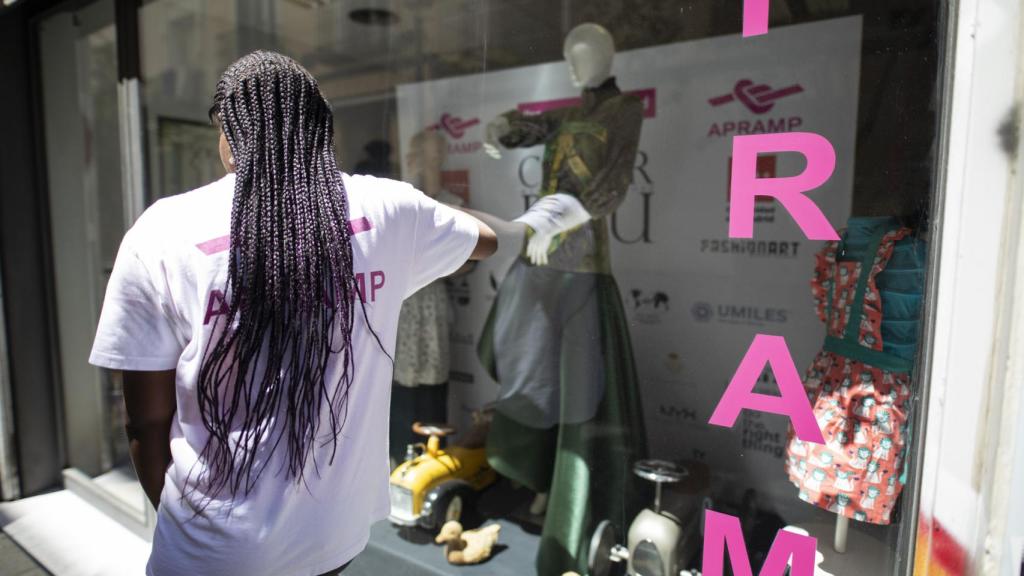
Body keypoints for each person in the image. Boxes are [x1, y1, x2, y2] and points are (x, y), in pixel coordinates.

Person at [88, 51, 497, 576]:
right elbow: (483, 241)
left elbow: (145, 420)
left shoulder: (161, 232)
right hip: (335, 537)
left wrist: (188, 523)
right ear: (320, 130)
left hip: (213, 551)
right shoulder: (390, 208)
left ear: (228, 133)